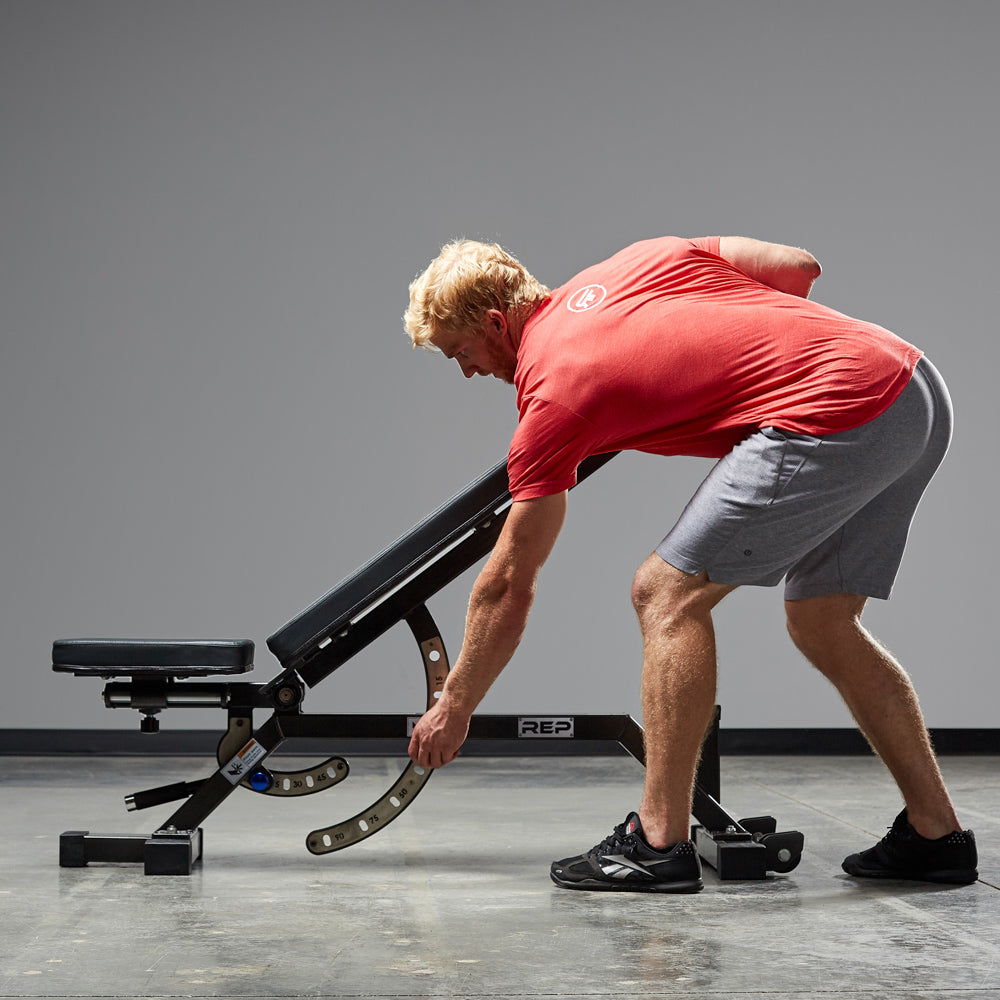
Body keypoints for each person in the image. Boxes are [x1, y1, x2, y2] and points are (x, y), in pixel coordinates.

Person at [402, 234, 978, 893]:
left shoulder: (553, 393)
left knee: (664, 595)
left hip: (840, 407)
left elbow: (508, 583)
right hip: (912, 385)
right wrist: (735, 342)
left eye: (461, 352)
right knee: (823, 619)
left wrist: (456, 704)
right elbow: (799, 268)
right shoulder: (631, 263)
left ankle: (657, 840)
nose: (468, 371)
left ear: (497, 324)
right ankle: (938, 836)